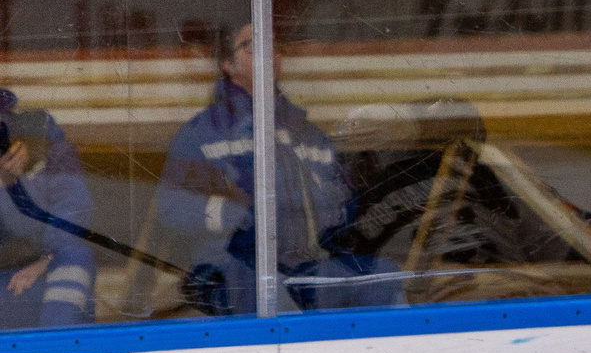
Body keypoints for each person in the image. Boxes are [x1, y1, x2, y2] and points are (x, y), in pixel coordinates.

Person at [154, 24, 381, 315]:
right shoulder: (203, 132)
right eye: (252, 46)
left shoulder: (307, 134)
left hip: (312, 266)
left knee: (383, 282)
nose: (267, 53)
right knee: (282, 312)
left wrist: (329, 207)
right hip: (234, 268)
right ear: (228, 64)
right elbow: (170, 205)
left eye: (273, 45)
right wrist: (233, 215)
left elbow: (345, 205)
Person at [0, 93, 99, 329]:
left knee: (77, 256)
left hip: (40, 261)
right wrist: (5, 186)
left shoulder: (40, 133)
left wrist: (47, 259)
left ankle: (58, 349)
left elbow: (74, 204)